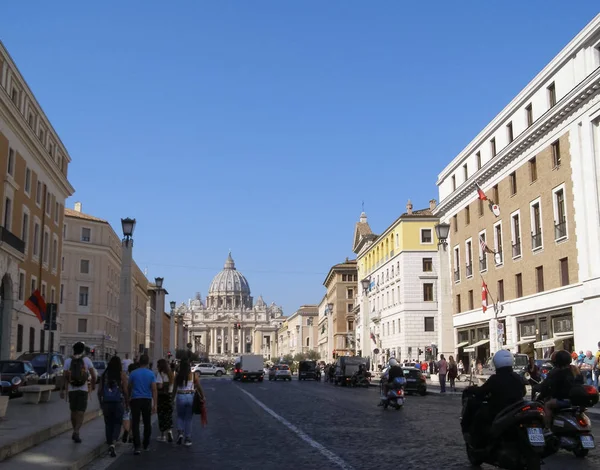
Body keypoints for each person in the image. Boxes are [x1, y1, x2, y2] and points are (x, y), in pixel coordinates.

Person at [463, 349, 526, 447]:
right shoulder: (517, 377)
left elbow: (482, 391)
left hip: (499, 411)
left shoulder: (495, 379)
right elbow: (524, 392)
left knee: (479, 417)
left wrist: (471, 389)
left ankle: (479, 443)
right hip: (516, 410)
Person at [61, 341, 97, 444]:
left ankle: (74, 430)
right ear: (83, 350)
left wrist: (62, 390)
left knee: (73, 411)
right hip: (83, 389)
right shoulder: (86, 360)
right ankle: (76, 431)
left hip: (72, 390)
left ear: (73, 349)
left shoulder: (68, 361)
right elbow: (93, 375)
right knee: (81, 412)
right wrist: (93, 386)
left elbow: (64, 376)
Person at [536, 350, 580, 427]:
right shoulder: (575, 370)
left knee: (547, 405)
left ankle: (547, 426)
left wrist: (542, 393)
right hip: (575, 400)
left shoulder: (557, 372)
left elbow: (548, 386)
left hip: (563, 400)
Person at [98, 356, 128, 457]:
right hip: (118, 402)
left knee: (108, 423)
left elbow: (99, 391)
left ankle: (109, 442)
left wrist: (101, 403)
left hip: (106, 402)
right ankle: (114, 442)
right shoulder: (121, 375)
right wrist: (127, 403)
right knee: (117, 423)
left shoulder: (104, 375)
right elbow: (125, 391)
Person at [128, 354, 157, 455]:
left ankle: (137, 446)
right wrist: (155, 404)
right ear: (148, 362)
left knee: (135, 423)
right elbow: (154, 389)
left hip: (135, 399)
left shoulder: (133, 373)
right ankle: (146, 443)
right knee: (147, 422)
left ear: (139, 362)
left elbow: (129, 387)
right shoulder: (151, 374)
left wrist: (128, 398)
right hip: (147, 399)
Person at [173, 359, 206, 446]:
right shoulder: (193, 375)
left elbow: (174, 389)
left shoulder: (177, 376)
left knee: (180, 416)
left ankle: (180, 433)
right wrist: (203, 396)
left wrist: (172, 399)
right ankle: (187, 438)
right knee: (188, 418)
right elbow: (199, 387)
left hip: (180, 396)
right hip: (190, 396)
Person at [155, 359, 174, 442]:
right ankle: (169, 431)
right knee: (168, 414)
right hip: (169, 396)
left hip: (162, 396)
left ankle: (163, 435)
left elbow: (159, 386)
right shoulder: (171, 373)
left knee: (161, 415)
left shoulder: (160, 374)